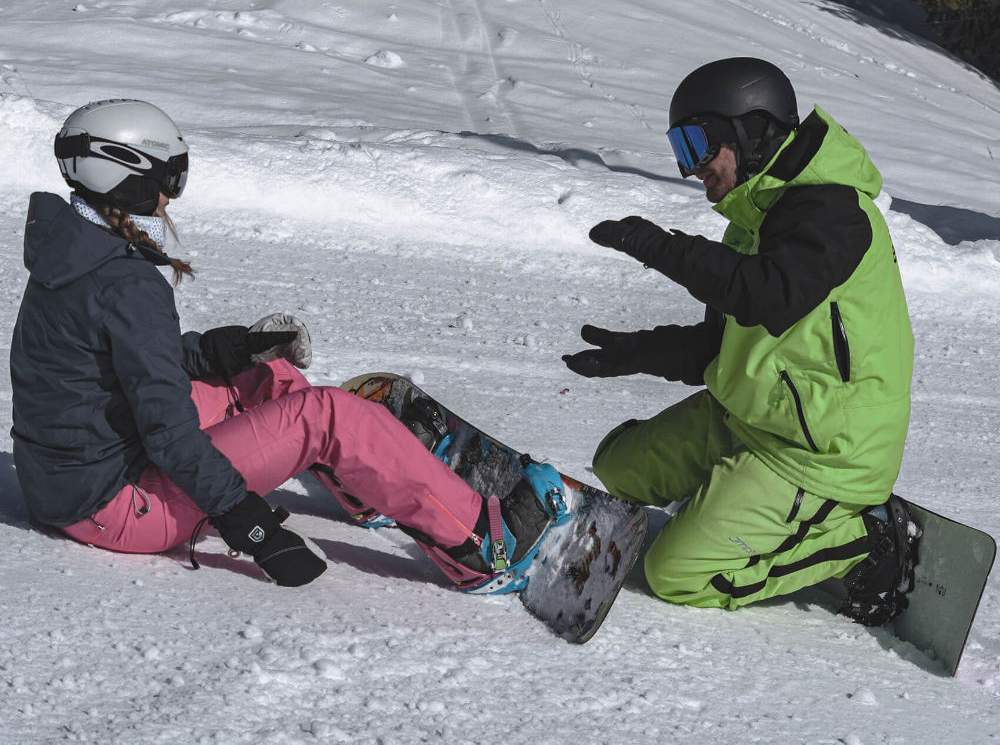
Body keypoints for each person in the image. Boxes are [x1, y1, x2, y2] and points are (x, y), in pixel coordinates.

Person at [10, 98, 557, 593]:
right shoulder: (128, 283)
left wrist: (221, 352)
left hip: (69, 488)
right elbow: (168, 431)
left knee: (262, 377)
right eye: (170, 176)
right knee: (331, 415)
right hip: (119, 506)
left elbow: (110, 363)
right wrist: (248, 525)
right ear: (123, 172)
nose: (171, 194)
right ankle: (481, 547)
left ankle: (370, 479)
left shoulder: (73, 252)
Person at [562, 57, 919, 625]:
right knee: (617, 467)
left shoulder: (836, 213)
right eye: (681, 149)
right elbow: (727, 345)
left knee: (674, 573)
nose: (689, 168)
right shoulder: (755, 221)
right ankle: (737, 511)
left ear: (751, 131)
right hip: (750, 417)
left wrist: (663, 248)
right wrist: (637, 353)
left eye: (698, 144)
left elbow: (766, 295)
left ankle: (863, 541)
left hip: (824, 453)